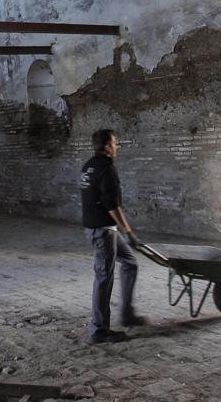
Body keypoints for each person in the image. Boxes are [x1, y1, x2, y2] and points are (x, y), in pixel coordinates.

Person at [80, 129, 146, 344]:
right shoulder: (107, 168)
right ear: (107, 146)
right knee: (103, 277)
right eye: (115, 143)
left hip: (97, 228)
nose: (117, 147)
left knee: (129, 262)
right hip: (103, 231)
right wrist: (128, 232)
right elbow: (111, 205)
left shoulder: (88, 166)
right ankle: (99, 330)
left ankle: (127, 313)